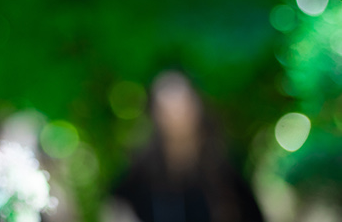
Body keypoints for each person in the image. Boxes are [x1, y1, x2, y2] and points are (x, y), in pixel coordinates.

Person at [107, 71, 264, 222]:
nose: (175, 116)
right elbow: (117, 207)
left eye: (181, 105)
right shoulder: (139, 175)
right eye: (166, 109)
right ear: (155, 114)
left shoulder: (224, 169)